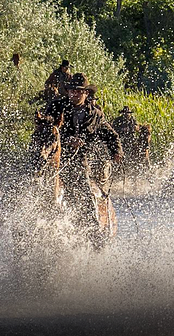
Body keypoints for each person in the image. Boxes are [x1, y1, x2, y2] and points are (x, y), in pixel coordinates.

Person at [45, 73, 123, 249]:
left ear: (86, 93)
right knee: (21, 179)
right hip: (51, 154)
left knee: (82, 188)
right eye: (72, 90)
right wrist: (65, 140)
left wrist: (116, 151)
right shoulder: (57, 106)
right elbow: (47, 128)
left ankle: (92, 232)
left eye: (78, 91)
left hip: (77, 159)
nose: (74, 94)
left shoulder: (95, 115)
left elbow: (110, 134)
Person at [112, 106, 151, 176]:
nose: (127, 114)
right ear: (123, 113)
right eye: (125, 113)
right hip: (121, 141)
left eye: (128, 113)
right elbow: (114, 130)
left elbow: (137, 128)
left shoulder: (132, 120)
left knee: (139, 150)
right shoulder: (118, 121)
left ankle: (146, 169)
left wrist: (138, 128)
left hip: (131, 140)